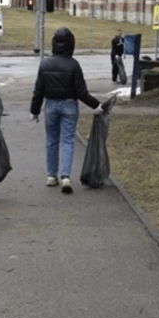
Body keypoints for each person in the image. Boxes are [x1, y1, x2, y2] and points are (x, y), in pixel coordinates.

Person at [30, 28, 105, 194]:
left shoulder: (45, 63)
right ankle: (65, 176)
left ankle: (51, 175)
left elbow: (38, 91)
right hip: (69, 105)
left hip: (50, 105)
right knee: (68, 140)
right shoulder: (74, 65)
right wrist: (96, 105)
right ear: (71, 44)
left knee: (51, 140)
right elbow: (81, 92)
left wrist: (34, 111)